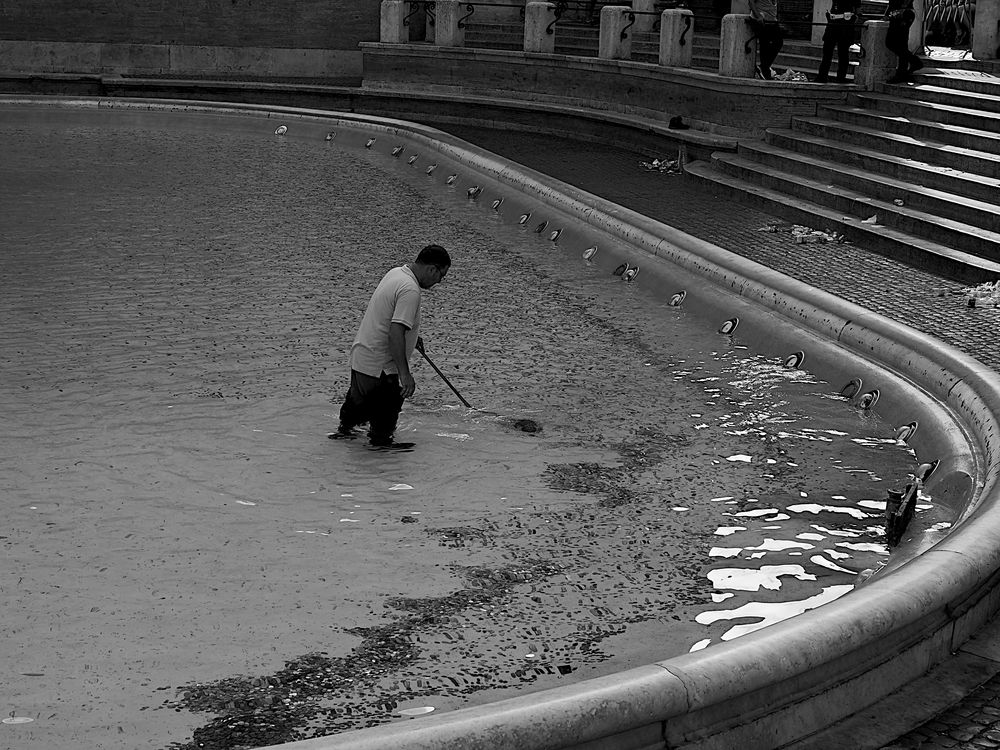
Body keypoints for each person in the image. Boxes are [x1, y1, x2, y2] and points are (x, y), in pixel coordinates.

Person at [333, 244, 451, 448]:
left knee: (349, 426)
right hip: (381, 370)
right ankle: (384, 470)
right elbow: (395, 332)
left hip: (362, 361)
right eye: (442, 275)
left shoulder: (396, 273)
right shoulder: (411, 290)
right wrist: (405, 375)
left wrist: (412, 337)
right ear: (432, 269)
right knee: (382, 436)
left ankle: (347, 465)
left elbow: (390, 319)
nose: (439, 281)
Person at [814, 0, 861, 82]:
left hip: (845, 23)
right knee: (827, 51)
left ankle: (840, 77)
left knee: (842, 52)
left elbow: (858, 10)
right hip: (833, 22)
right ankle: (822, 76)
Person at [884, 0, 923, 83]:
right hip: (896, 13)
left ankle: (903, 72)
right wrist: (887, 14)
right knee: (896, 44)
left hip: (904, 13)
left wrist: (903, 8)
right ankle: (910, 65)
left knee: (897, 43)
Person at [748, 0, 785, 80]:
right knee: (765, 43)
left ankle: (764, 67)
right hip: (760, 20)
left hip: (772, 21)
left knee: (778, 42)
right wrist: (758, 16)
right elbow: (751, 2)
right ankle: (765, 69)